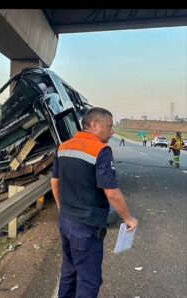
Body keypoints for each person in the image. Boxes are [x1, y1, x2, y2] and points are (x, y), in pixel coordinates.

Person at [51, 107, 138, 298]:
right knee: (89, 280)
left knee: (69, 271)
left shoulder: (63, 146)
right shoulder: (100, 150)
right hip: (86, 226)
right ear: (94, 124)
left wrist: (61, 207)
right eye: (109, 126)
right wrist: (128, 218)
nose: (112, 131)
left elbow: (54, 182)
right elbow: (112, 192)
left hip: (66, 221)